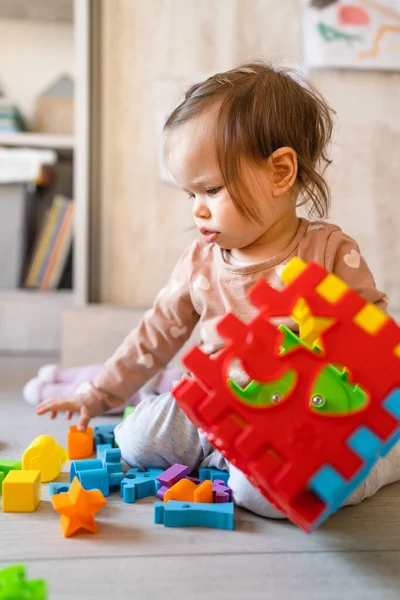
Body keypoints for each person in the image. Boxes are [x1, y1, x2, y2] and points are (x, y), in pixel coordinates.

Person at [36, 62, 399, 519]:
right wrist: (98, 393)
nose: (197, 211)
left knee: (261, 495)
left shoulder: (327, 252)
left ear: (280, 172)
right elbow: (155, 336)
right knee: (136, 438)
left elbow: (375, 342)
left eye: (210, 190)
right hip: (216, 406)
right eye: (189, 195)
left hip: (300, 417)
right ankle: (223, 453)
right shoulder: (198, 263)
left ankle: (382, 463)